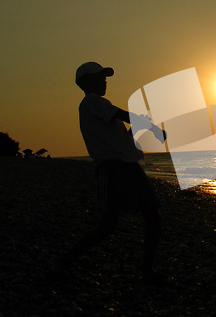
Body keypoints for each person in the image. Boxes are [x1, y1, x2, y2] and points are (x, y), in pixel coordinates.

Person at [53, 61, 167, 286]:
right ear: (84, 82)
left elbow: (121, 136)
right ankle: (63, 262)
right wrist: (151, 126)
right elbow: (121, 114)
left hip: (128, 167)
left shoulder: (100, 107)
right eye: (99, 77)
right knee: (109, 226)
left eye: (104, 77)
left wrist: (142, 125)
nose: (104, 80)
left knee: (152, 219)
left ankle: (147, 272)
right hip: (113, 170)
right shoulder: (91, 102)